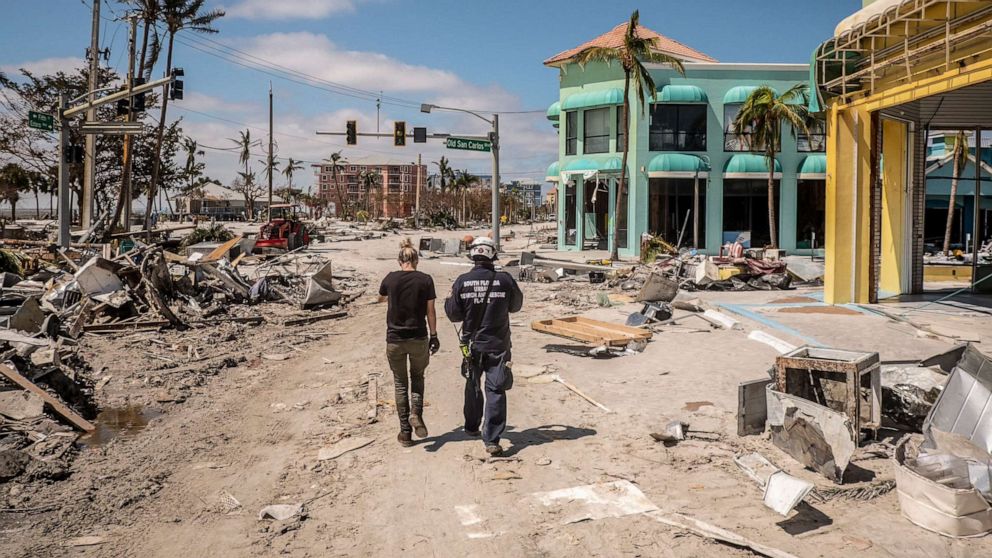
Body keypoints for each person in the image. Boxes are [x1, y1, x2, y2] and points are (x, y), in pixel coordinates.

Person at [444, 236, 523, 456]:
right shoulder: (505, 280)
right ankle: (492, 439)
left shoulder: (462, 281)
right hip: (498, 344)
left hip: (471, 344)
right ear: (493, 256)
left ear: (472, 256)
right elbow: (516, 306)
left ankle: (471, 426)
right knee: (495, 389)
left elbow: (453, 314)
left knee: (472, 384)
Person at [379, 238, 440, 447]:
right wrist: (434, 335)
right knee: (418, 377)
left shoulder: (390, 279)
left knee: (400, 383)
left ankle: (405, 433)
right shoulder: (425, 280)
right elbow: (430, 311)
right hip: (419, 337)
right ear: (417, 260)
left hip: (395, 339)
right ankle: (416, 412)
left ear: (399, 260)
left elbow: (381, 297)